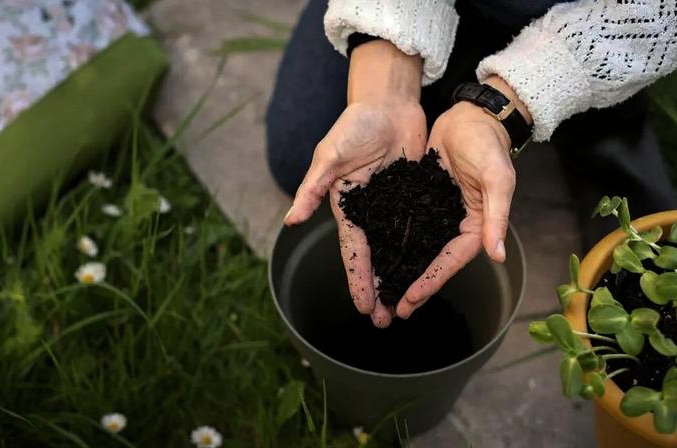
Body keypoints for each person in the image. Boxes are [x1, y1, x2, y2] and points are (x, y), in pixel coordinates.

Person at [266, 0, 677, 328]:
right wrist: (384, 79)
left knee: (641, 280)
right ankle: (448, 49)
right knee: (299, 153)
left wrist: (509, 106)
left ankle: (605, 119)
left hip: (606, 17)